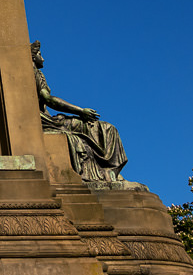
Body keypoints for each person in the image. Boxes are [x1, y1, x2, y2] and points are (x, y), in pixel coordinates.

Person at [32, 41, 140, 188]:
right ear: (32, 57)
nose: (43, 58)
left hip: (48, 119)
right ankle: (107, 174)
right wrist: (81, 111)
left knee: (105, 129)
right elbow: (49, 100)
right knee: (107, 129)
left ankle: (109, 172)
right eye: (39, 54)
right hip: (48, 121)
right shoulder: (33, 73)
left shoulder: (37, 73)